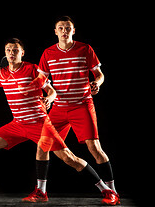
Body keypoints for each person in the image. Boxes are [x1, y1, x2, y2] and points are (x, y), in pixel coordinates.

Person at [0, 38, 118, 205]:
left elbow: (51, 91)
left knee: (69, 158)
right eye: (8, 50)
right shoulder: (1, 74)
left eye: (15, 50)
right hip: (17, 124)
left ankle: (105, 189)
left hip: (40, 123)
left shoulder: (32, 69)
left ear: (22, 53)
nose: (11, 53)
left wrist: (50, 99)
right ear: (5, 53)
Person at [38, 16, 120, 205]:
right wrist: (48, 94)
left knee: (95, 148)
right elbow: (42, 79)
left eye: (68, 28)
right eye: (61, 28)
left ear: (73, 30)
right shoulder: (48, 53)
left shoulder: (85, 49)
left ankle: (113, 191)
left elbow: (99, 75)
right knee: (43, 146)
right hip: (58, 107)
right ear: (55, 31)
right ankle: (41, 191)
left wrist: (97, 83)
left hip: (82, 105)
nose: (64, 30)